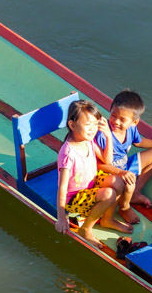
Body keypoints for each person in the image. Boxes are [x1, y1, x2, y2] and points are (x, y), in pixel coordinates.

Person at [94, 90, 152, 225]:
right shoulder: (102, 135)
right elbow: (98, 165)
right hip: (108, 174)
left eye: (122, 119)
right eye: (113, 115)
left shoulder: (131, 129)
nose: (116, 121)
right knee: (127, 182)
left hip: (124, 166)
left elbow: (138, 142)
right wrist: (120, 172)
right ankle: (124, 207)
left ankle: (134, 194)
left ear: (134, 122)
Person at [54, 100, 133, 245]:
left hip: (91, 185)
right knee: (109, 194)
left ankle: (107, 219)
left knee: (118, 181)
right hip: (75, 198)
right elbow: (62, 187)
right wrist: (61, 217)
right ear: (72, 125)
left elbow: (106, 160)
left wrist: (108, 136)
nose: (92, 129)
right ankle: (86, 229)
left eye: (95, 124)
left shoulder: (88, 139)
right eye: (87, 124)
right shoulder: (68, 153)